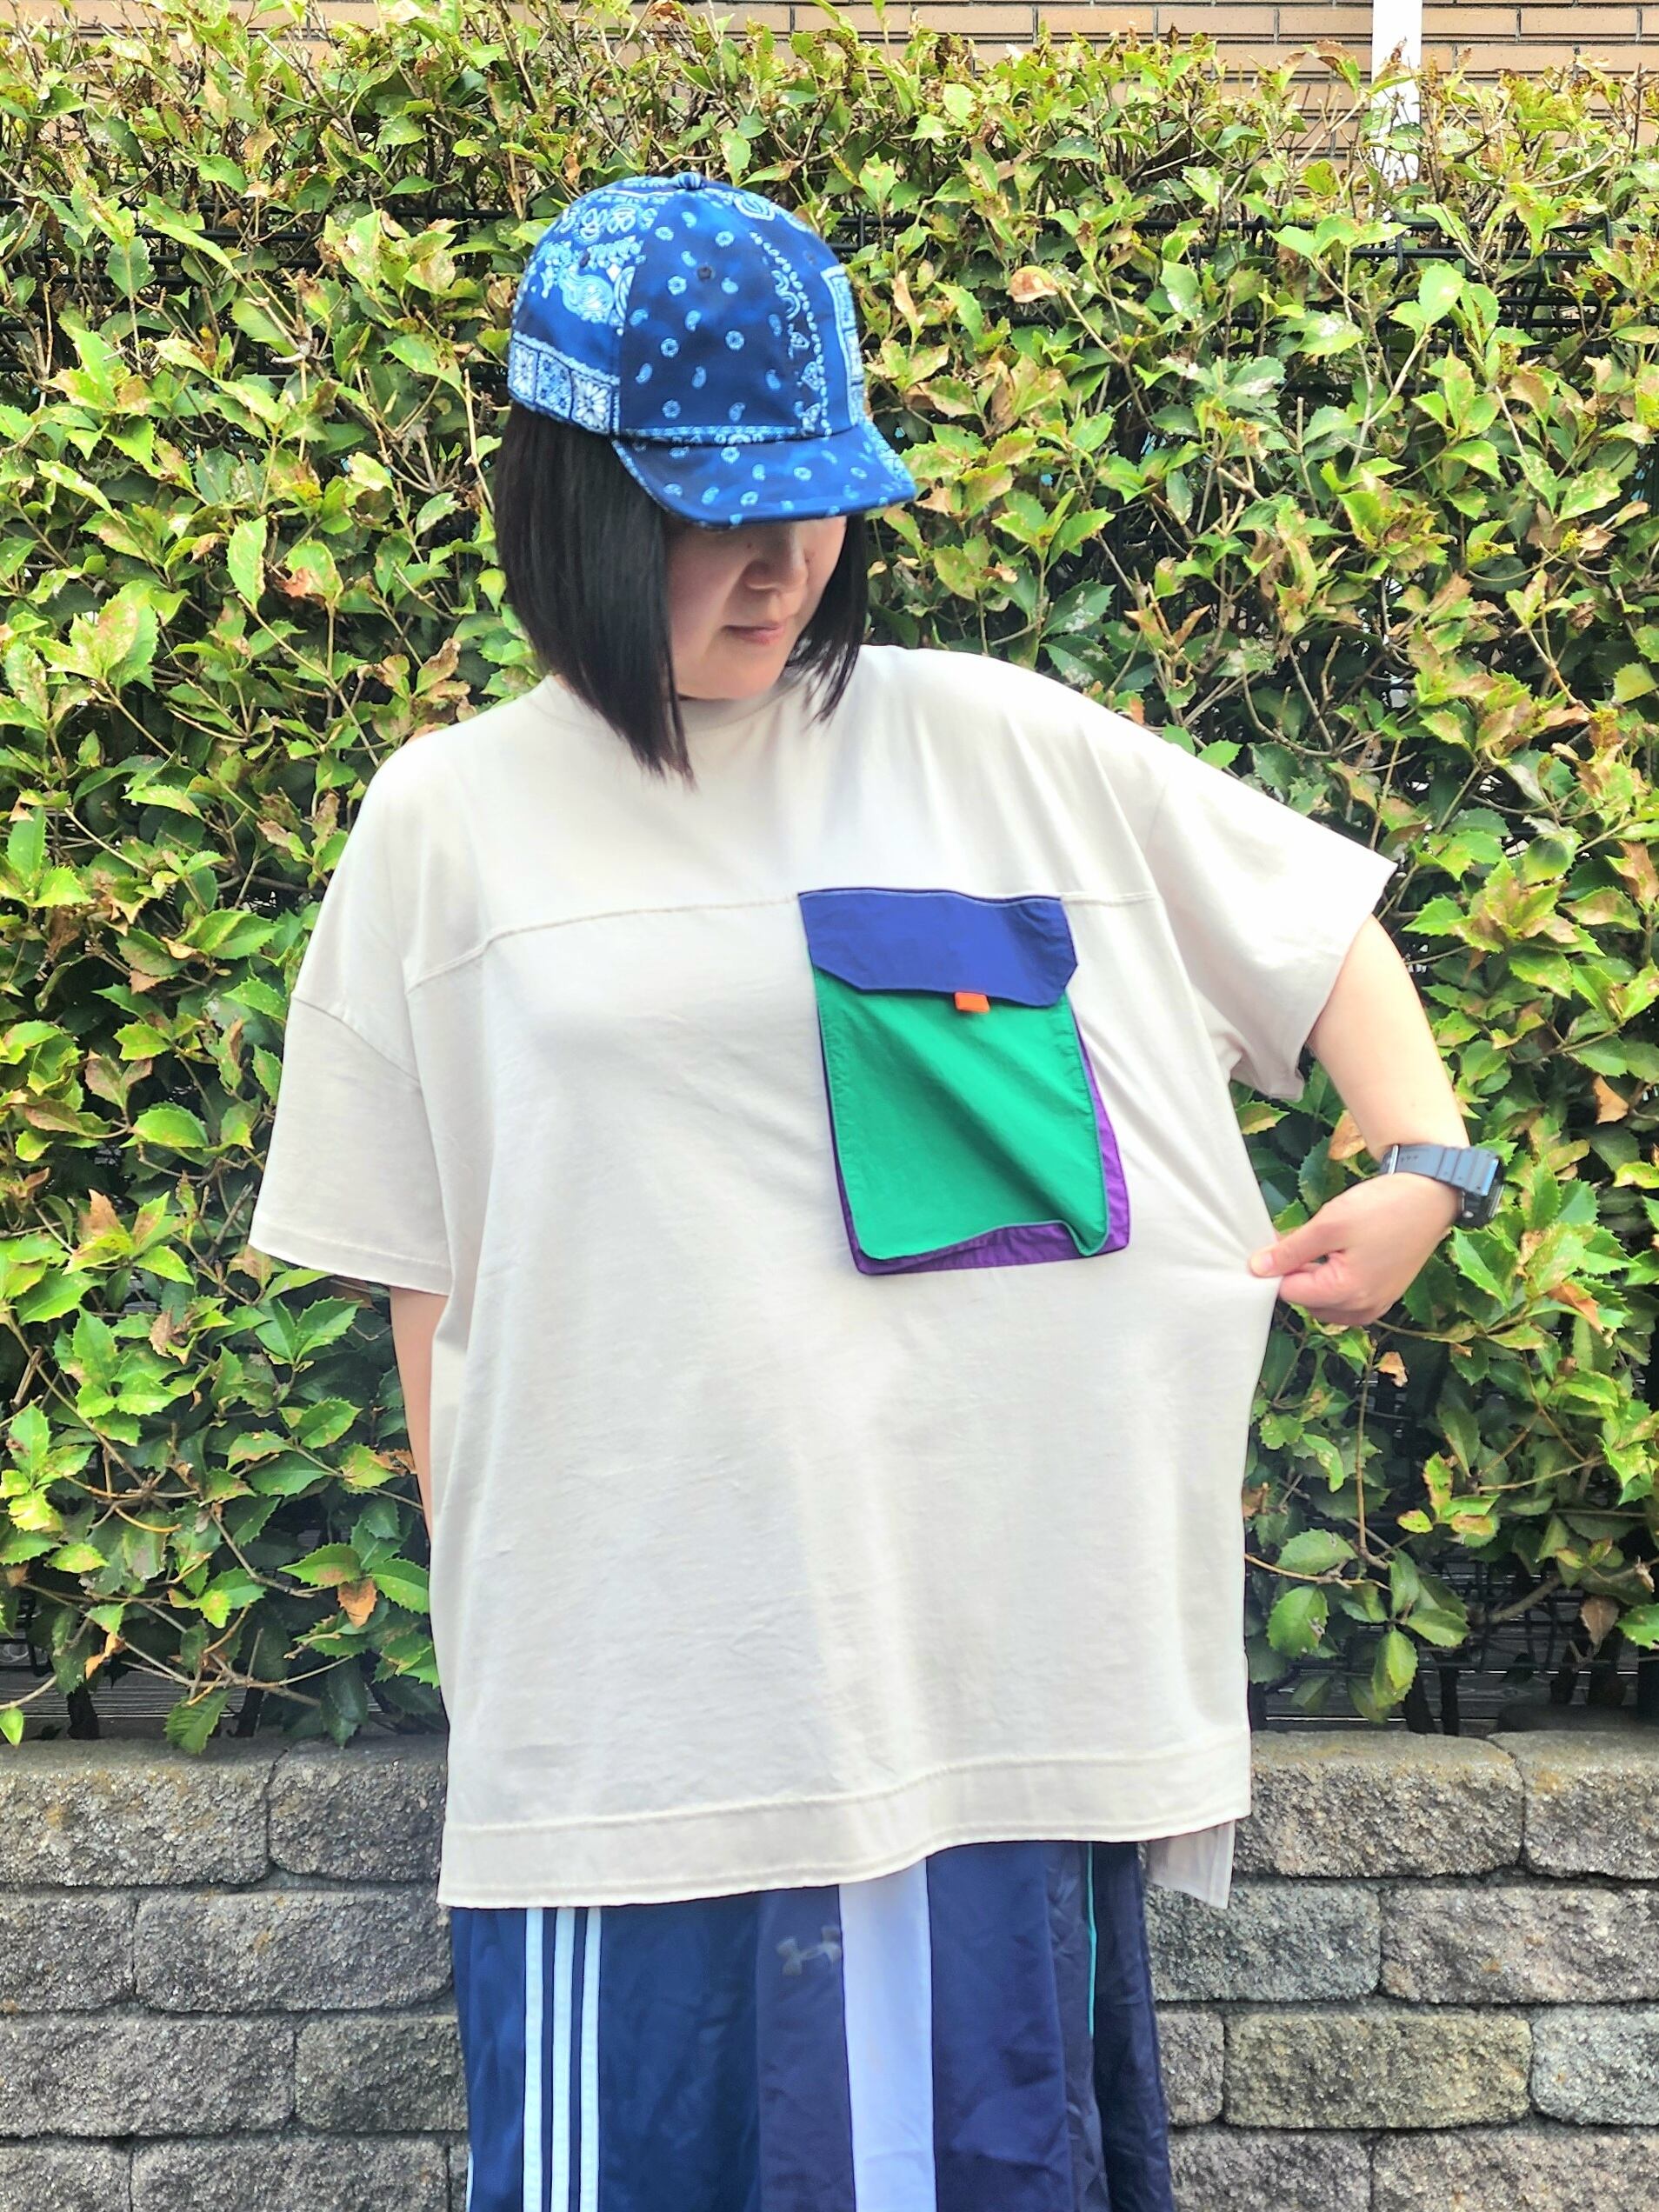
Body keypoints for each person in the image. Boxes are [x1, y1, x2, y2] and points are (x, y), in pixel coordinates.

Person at [247, 171, 1496, 2211]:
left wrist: (1423, 1155)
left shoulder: (989, 746)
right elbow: (428, 1278)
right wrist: (503, 1630)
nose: (786, 566)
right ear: (573, 508)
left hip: (982, 1679)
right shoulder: (446, 824)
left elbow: (1308, 930)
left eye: (819, 505)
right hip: (645, 1700)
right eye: (716, 519)